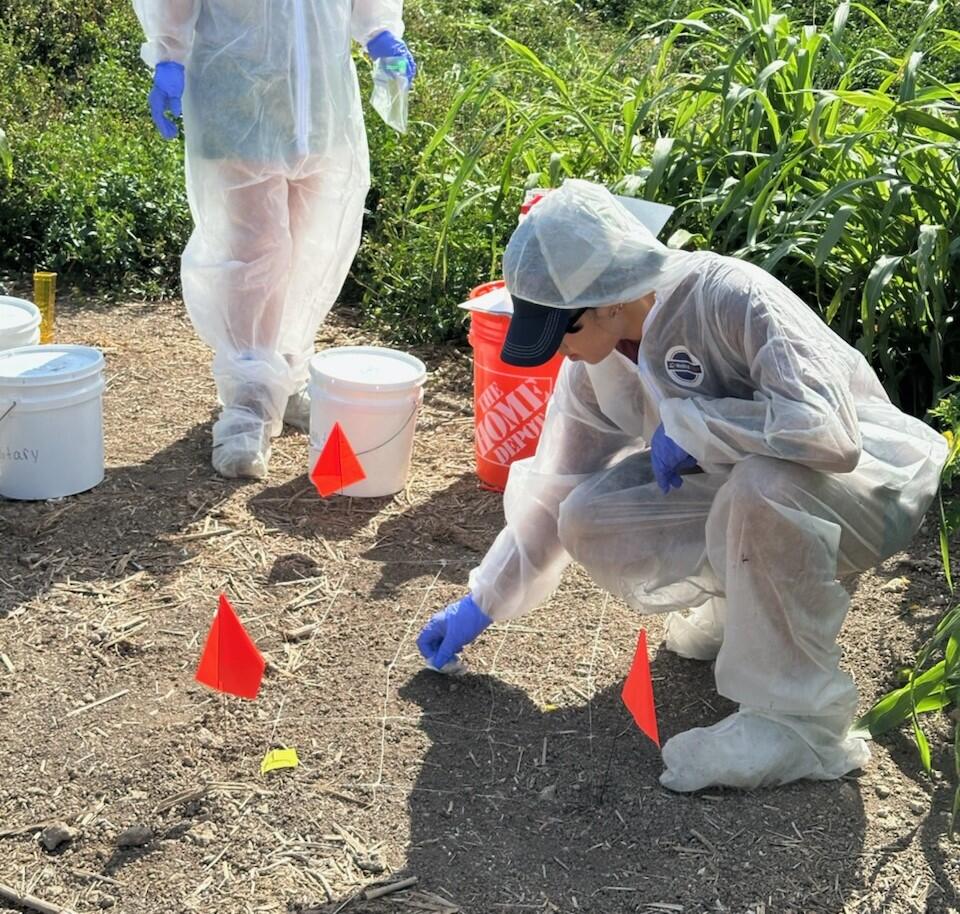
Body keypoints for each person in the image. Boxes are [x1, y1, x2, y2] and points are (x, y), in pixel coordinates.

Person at [417, 180, 948, 792]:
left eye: (562, 329)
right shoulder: (597, 364)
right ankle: (741, 611)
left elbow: (829, 435)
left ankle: (796, 723)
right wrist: (483, 600)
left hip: (865, 490)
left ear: (608, 300)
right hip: (750, 500)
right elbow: (557, 490)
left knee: (762, 484)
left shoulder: (729, 296)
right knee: (589, 515)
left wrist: (699, 425)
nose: (559, 350)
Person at [133, 1, 416, 478]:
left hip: (320, 95)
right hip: (235, 85)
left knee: (308, 245)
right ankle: (247, 407)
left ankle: (285, 374)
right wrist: (169, 53)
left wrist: (380, 32)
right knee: (252, 254)